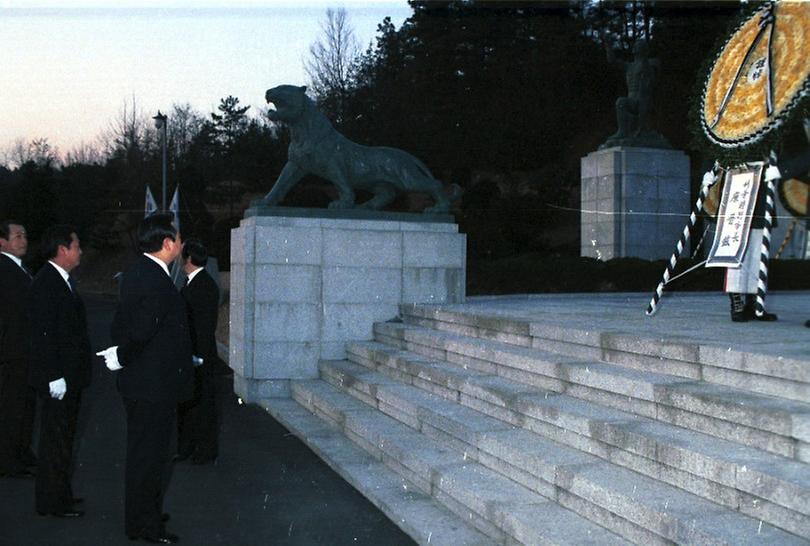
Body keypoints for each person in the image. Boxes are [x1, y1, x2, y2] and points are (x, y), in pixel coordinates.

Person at [97, 212, 192, 544]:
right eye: (178, 238)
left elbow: (122, 325)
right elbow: (140, 330)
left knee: (147, 456)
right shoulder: (153, 278)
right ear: (167, 243)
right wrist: (122, 356)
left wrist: (123, 356)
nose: (181, 243)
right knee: (149, 458)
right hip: (152, 386)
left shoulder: (140, 272)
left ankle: (143, 515)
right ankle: (145, 525)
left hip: (146, 382)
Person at [28, 225, 91, 518]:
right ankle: (52, 503)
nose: (80, 251)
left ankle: (59, 495)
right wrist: (54, 375)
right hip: (59, 380)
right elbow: (42, 334)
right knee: (56, 441)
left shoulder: (60, 279)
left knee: (62, 440)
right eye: (76, 245)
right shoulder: (46, 283)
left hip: (67, 377)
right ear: (63, 250)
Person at [175, 239, 220, 465]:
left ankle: (204, 451)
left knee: (203, 405)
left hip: (199, 356)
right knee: (192, 404)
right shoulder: (194, 282)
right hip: (193, 355)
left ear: (189, 259)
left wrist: (198, 356)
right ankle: (189, 447)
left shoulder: (204, 285)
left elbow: (204, 326)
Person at [0, 219, 37, 478]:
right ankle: (9, 460)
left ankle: (21, 452)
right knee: (12, 409)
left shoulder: (21, 269)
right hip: (12, 352)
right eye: (17, 236)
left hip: (23, 350)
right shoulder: (4, 269)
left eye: (24, 234)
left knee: (24, 406)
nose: (23, 240)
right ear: (2, 242)